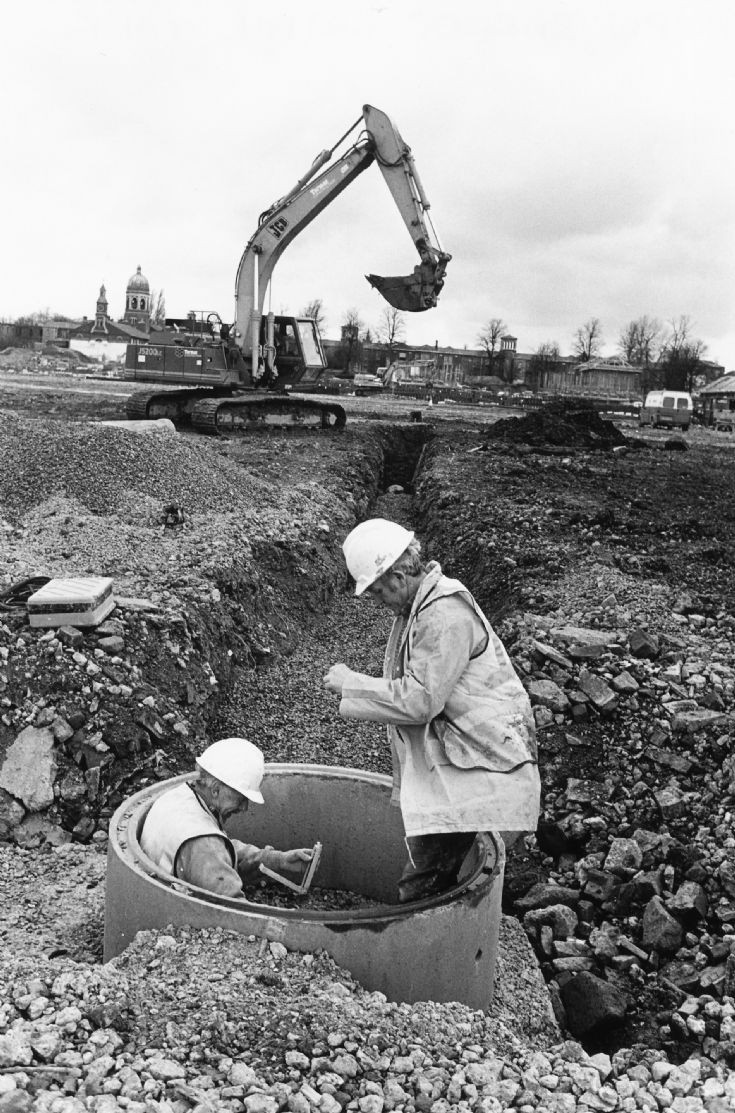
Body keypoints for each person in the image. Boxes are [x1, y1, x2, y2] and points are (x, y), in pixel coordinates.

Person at [323, 519, 540, 903]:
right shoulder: (422, 607)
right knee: (430, 857)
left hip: (479, 763)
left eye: (376, 591)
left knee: (426, 875)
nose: (377, 601)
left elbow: (421, 700)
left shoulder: (443, 615)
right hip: (462, 759)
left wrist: (351, 682)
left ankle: (414, 943)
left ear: (399, 574)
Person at [140, 737, 313, 898]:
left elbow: (220, 851)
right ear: (215, 789)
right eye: (241, 798)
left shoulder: (179, 796)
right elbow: (233, 911)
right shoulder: (203, 844)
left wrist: (277, 861)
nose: (244, 807)